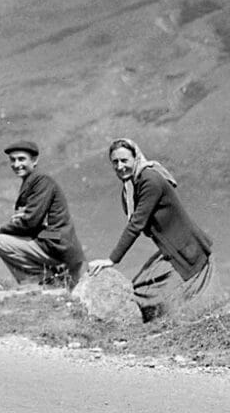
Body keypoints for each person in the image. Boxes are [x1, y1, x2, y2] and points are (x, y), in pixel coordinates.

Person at [87, 137, 213, 321]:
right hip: (173, 249)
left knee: (146, 297)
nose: (120, 166)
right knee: (138, 288)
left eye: (124, 160)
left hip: (187, 252)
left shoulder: (149, 180)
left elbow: (136, 225)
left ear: (136, 158)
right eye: (115, 162)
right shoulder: (133, 184)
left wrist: (111, 260)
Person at [0, 141, 84, 286]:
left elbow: (30, 222)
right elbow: (32, 222)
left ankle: (42, 282)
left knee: (1, 241)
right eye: (13, 160)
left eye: (21, 159)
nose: (16, 164)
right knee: (16, 235)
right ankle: (48, 280)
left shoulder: (41, 181)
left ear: (34, 160)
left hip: (57, 241)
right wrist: (21, 223)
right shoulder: (32, 181)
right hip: (53, 239)